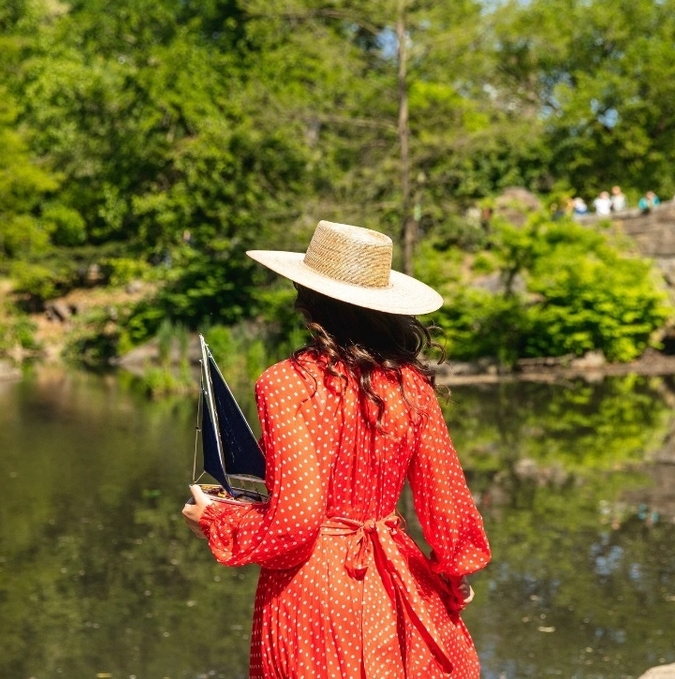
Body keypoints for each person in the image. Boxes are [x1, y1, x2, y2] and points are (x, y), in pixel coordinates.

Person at [182, 220, 491, 678]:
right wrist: (451, 574)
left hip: (312, 592)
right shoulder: (410, 385)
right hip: (397, 580)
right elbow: (446, 504)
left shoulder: (285, 383)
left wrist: (218, 520)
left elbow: (296, 522)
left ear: (308, 301)